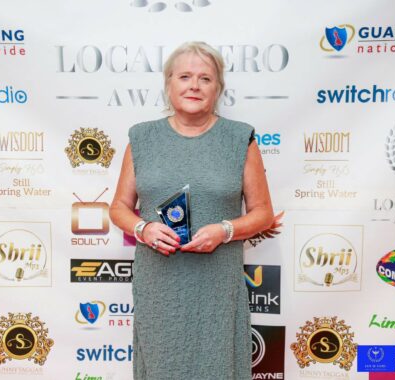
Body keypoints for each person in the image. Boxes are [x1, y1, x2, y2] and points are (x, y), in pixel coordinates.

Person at [109, 41, 274, 379]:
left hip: (217, 284)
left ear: (218, 88)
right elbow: (119, 208)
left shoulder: (240, 139)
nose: (194, 86)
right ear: (169, 84)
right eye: (184, 76)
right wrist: (143, 229)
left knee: (217, 366)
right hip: (160, 284)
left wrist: (224, 230)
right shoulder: (141, 139)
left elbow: (263, 214)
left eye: (205, 78)